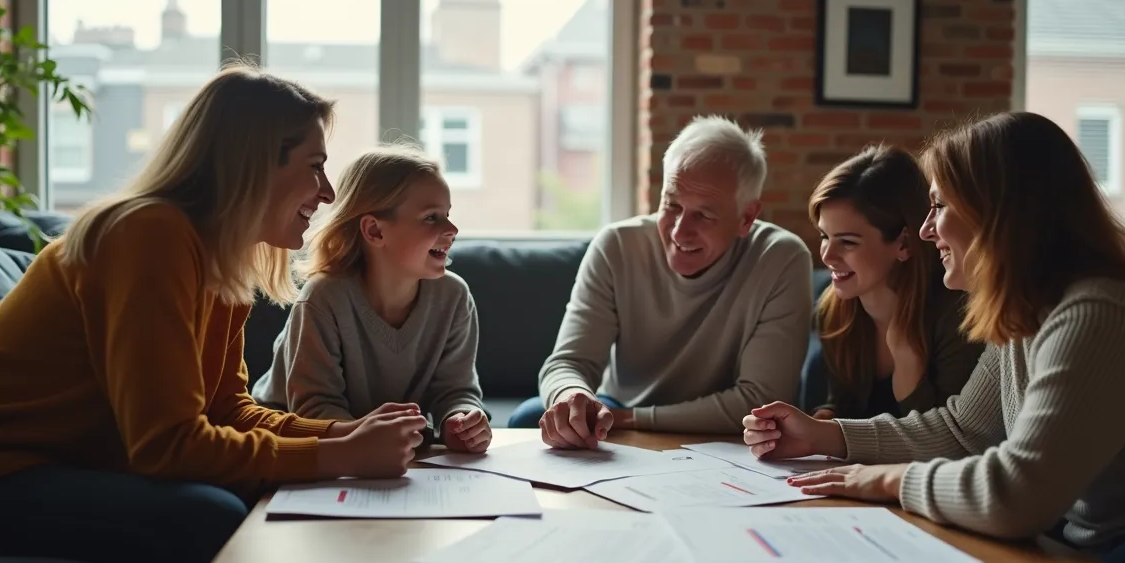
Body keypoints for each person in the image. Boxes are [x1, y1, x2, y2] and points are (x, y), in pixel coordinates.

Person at [0, 64, 428, 563]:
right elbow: (166, 444)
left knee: (233, 497)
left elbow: (227, 409)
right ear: (252, 165)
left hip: (51, 465)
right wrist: (339, 456)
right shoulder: (148, 234)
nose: (327, 193)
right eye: (315, 167)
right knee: (206, 513)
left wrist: (348, 432)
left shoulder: (223, 257)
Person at [741, 111, 1125, 563]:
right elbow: (962, 430)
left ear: (998, 215)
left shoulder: (1097, 313)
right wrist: (824, 435)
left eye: (939, 207)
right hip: (1095, 537)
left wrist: (887, 480)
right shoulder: (1028, 309)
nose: (928, 231)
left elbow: (1017, 495)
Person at [510, 114, 814, 447]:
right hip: (618, 410)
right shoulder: (617, 245)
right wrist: (573, 395)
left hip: (725, 432)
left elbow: (761, 401)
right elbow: (568, 362)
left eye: (704, 215)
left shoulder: (781, 258)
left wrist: (636, 419)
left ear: (747, 218)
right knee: (532, 417)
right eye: (671, 204)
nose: (679, 230)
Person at [251, 146, 491, 453]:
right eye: (431, 217)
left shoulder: (454, 297)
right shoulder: (323, 298)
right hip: (288, 445)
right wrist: (366, 440)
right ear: (374, 230)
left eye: (447, 215)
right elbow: (313, 408)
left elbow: (456, 390)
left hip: (374, 448)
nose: (452, 229)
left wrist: (460, 421)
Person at [808, 145, 983, 420]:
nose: (828, 256)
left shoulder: (959, 317)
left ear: (905, 242)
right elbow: (844, 407)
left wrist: (907, 362)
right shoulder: (834, 309)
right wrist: (820, 420)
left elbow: (952, 438)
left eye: (848, 242)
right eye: (824, 237)